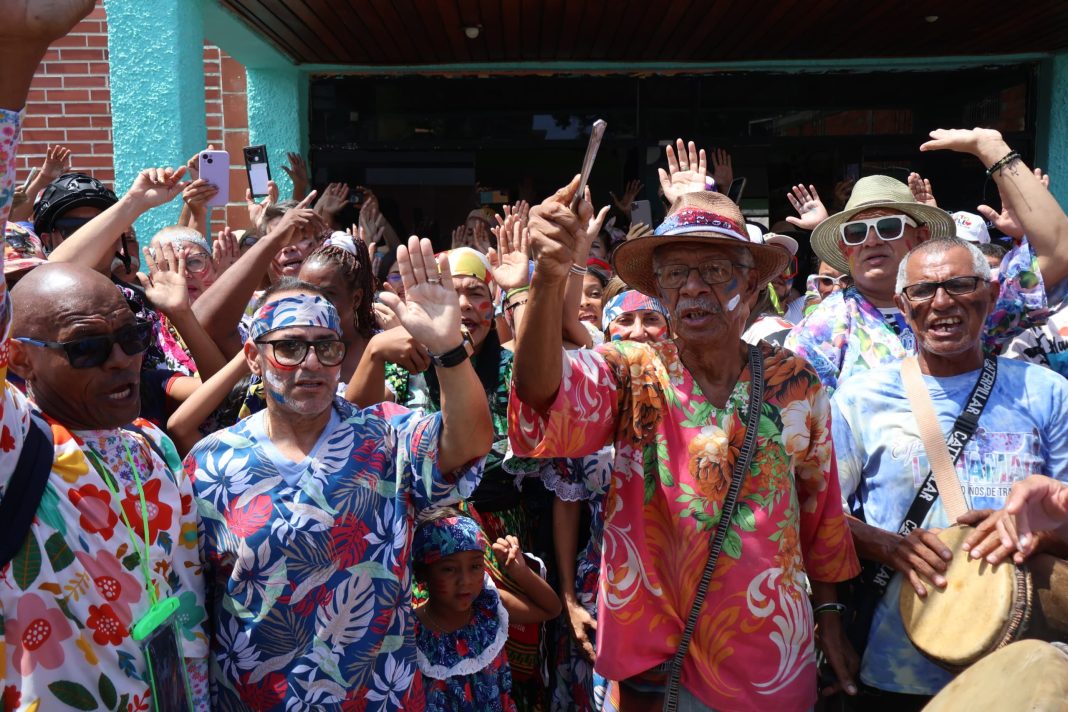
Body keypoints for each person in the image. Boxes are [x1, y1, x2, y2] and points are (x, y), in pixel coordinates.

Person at [509, 176, 859, 711]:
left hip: (770, 655)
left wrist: (829, 617)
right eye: (675, 274)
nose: (693, 287)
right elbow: (541, 394)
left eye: (715, 270)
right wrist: (548, 280)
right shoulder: (634, 370)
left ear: (750, 284)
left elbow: (820, 513)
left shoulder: (796, 381)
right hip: (656, 658)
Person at [185, 236, 493, 710]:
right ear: (252, 357)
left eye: (326, 348)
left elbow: (469, 441)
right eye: (288, 347)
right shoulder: (209, 464)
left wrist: (448, 348)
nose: (310, 363)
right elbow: (192, 610)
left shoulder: (386, 436)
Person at [0, 14, 213, 698]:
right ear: (20, 359)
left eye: (132, 337)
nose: (123, 361)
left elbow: (184, 613)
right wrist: (19, 54)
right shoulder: (15, 449)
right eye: (88, 348)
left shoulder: (151, 449)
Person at [831, 237, 1068, 709]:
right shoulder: (859, 400)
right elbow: (822, 520)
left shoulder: (1045, 392)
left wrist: (1035, 534)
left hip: (1021, 674)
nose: (942, 302)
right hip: (895, 670)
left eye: (960, 285)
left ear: (991, 295)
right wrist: (886, 545)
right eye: (923, 291)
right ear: (903, 304)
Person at [786, 128, 1068, 394]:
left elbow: (1058, 251)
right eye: (857, 232)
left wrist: (993, 150)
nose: (871, 241)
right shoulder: (822, 329)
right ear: (845, 248)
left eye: (888, 227)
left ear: (921, 237)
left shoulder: (966, 302)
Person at [552, 288, 671, 712]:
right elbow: (567, 505)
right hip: (601, 586)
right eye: (625, 321)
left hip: (680, 587)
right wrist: (567, 598)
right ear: (605, 332)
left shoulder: (693, 402)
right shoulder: (587, 407)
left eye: (651, 320)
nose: (638, 332)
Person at [412, 509, 561, 712]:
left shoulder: (490, 607)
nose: (465, 581)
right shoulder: (410, 634)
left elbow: (551, 609)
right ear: (423, 573)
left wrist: (520, 571)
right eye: (449, 569)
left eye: (475, 566)